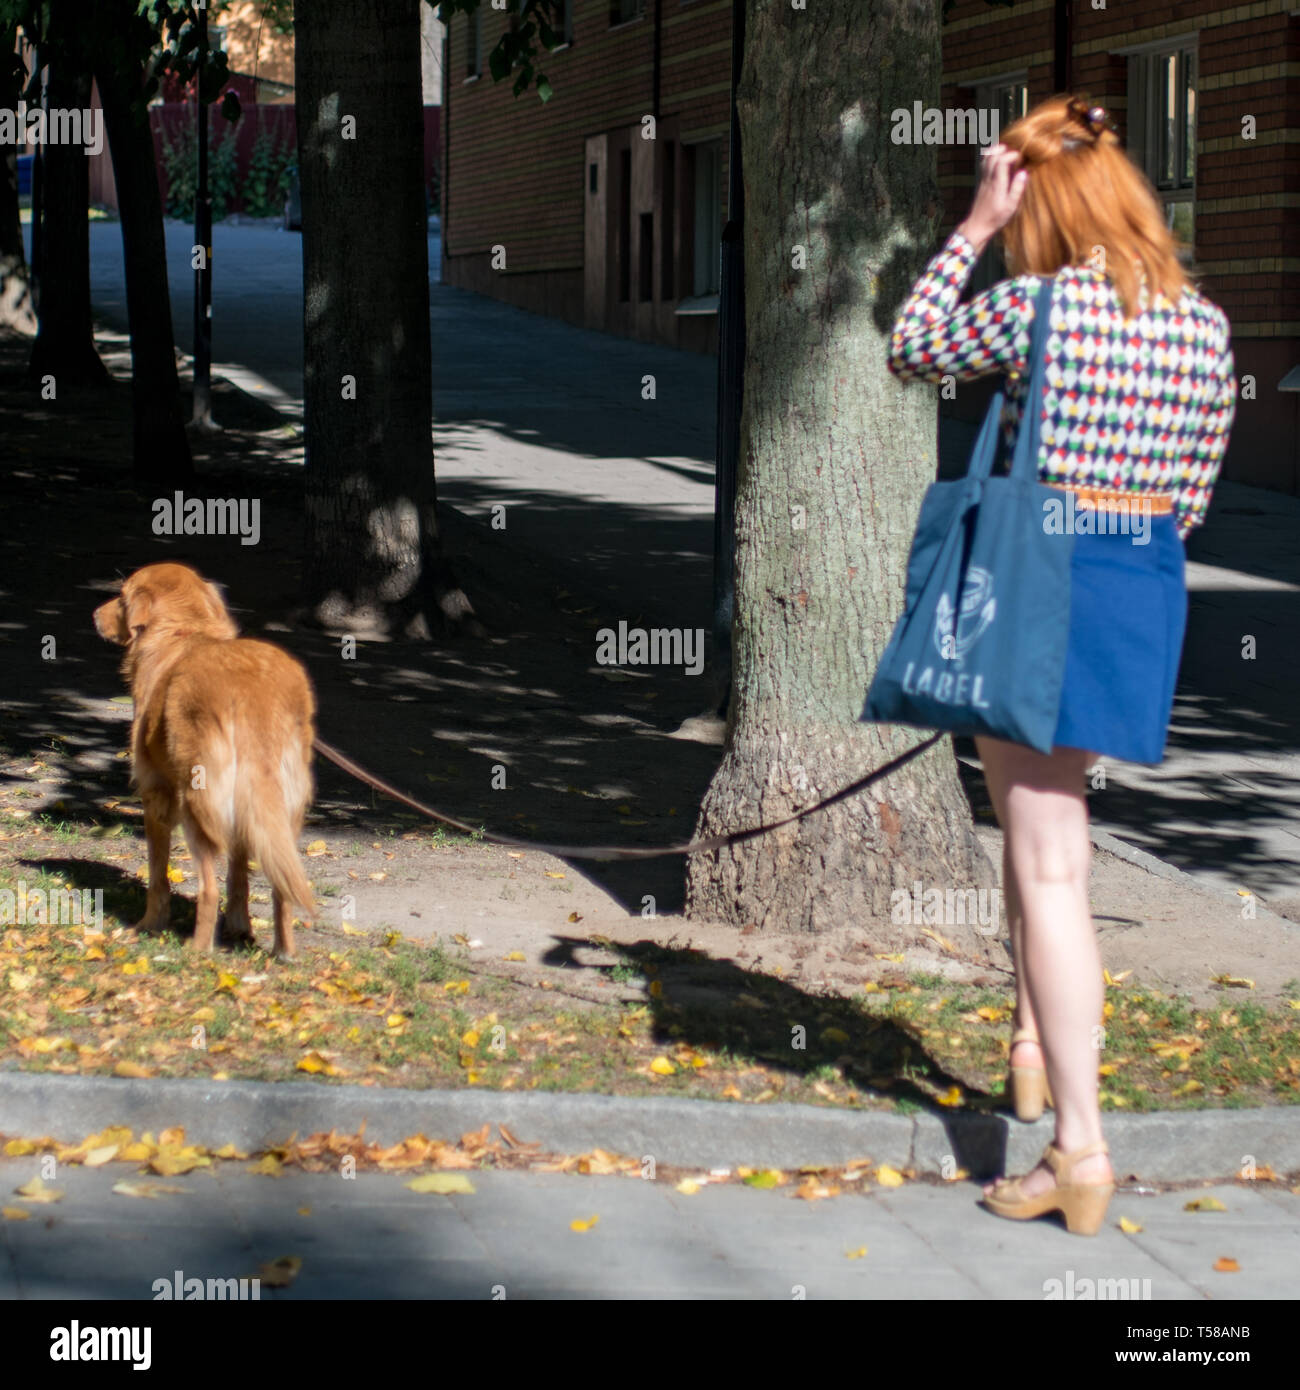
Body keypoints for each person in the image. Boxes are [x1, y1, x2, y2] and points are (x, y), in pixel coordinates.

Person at [886, 95, 1236, 1234]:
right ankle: (1031, 1045)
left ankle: (1076, 1149)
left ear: (1040, 204)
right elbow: (1194, 495)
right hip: (1139, 577)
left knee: (1048, 864)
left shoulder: (1039, 306)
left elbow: (914, 347)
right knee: (1045, 839)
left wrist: (972, 230)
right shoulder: (1206, 325)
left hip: (1039, 575)